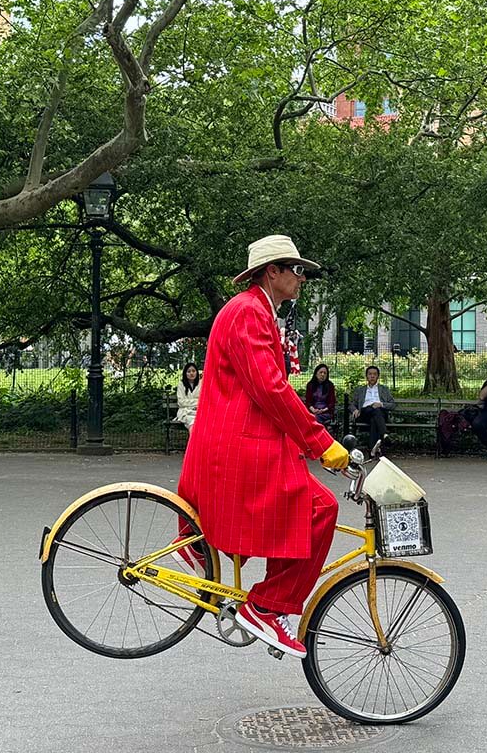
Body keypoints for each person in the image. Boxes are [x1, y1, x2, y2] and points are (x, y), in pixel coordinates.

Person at [176, 235, 348, 660]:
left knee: (304, 511)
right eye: (297, 269)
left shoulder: (254, 311)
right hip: (243, 442)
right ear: (273, 271)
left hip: (243, 437)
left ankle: (255, 593)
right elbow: (270, 389)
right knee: (320, 509)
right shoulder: (250, 313)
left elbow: (269, 389)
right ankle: (267, 606)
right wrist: (319, 441)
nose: (303, 278)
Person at [350, 365, 396, 452]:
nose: (372, 376)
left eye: (374, 374)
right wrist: (355, 410)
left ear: (378, 376)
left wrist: (381, 404)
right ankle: (384, 434)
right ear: (366, 376)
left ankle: (372, 449)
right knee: (371, 409)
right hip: (364, 413)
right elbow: (352, 404)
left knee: (374, 417)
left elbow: (393, 405)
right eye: (370, 374)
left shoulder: (384, 389)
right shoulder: (360, 390)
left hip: (379, 414)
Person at [305, 363, 336, 430]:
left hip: (326, 412)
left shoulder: (330, 386)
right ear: (316, 374)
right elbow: (308, 401)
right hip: (313, 411)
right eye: (321, 372)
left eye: (325, 373)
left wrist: (322, 410)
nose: (323, 375)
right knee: (312, 417)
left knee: (316, 418)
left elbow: (332, 403)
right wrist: (313, 410)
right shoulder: (310, 385)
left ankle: (319, 435)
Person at [174, 362, 201, 430]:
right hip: (185, 412)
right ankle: (194, 440)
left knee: (201, 423)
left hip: (198, 412)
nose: (191, 373)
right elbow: (181, 402)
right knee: (193, 423)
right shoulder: (181, 384)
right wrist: (197, 402)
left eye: (193, 371)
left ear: (197, 372)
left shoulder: (201, 384)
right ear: (185, 373)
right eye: (189, 371)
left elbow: (204, 400)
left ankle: (195, 440)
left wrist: (189, 403)